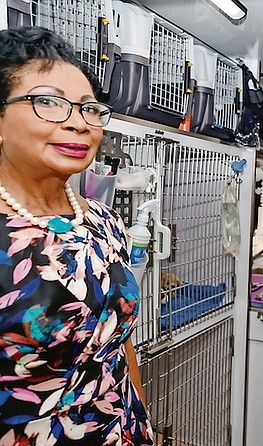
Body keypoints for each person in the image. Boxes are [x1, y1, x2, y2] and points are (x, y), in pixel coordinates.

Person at [0, 27, 154, 444]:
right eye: (48, 102)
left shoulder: (103, 221)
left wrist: (143, 423)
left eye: (89, 109)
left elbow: (119, 346)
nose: (78, 123)